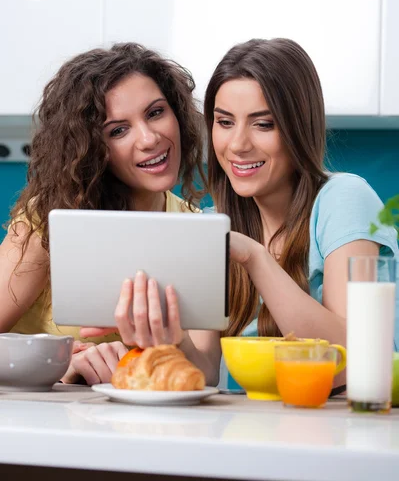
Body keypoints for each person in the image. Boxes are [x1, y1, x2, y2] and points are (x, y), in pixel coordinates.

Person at [80, 38, 398, 389]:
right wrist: (170, 340)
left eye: (263, 124)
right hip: (251, 429)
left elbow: (353, 361)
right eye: (225, 122)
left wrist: (255, 259)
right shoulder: (213, 225)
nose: (238, 145)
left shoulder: (343, 199)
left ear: (298, 126)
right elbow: (204, 372)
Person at [0, 42, 206, 384]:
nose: (149, 138)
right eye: (118, 130)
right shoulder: (49, 221)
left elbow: (204, 371)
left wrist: (170, 343)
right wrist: (60, 366)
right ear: (94, 148)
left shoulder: (195, 230)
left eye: (155, 112)